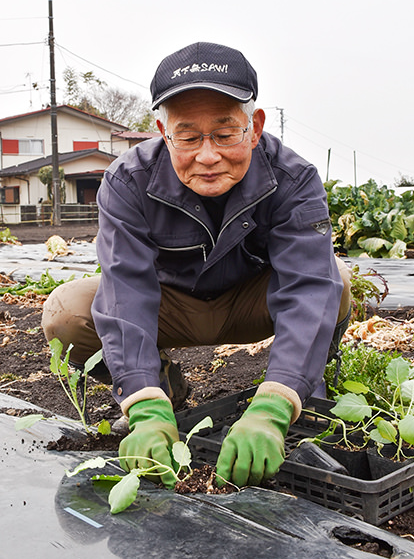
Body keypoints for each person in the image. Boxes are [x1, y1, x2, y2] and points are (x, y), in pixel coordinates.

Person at [42, 42, 351, 489]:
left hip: (251, 303)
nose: (208, 155)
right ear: (162, 132)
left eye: (226, 134)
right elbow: (126, 286)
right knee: (67, 311)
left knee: (334, 281)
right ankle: (161, 388)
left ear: (255, 127)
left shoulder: (292, 178)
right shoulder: (129, 179)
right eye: (188, 137)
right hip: (171, 308)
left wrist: (275, 402)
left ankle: (307, 390)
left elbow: (306, 287)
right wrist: (142, 401)